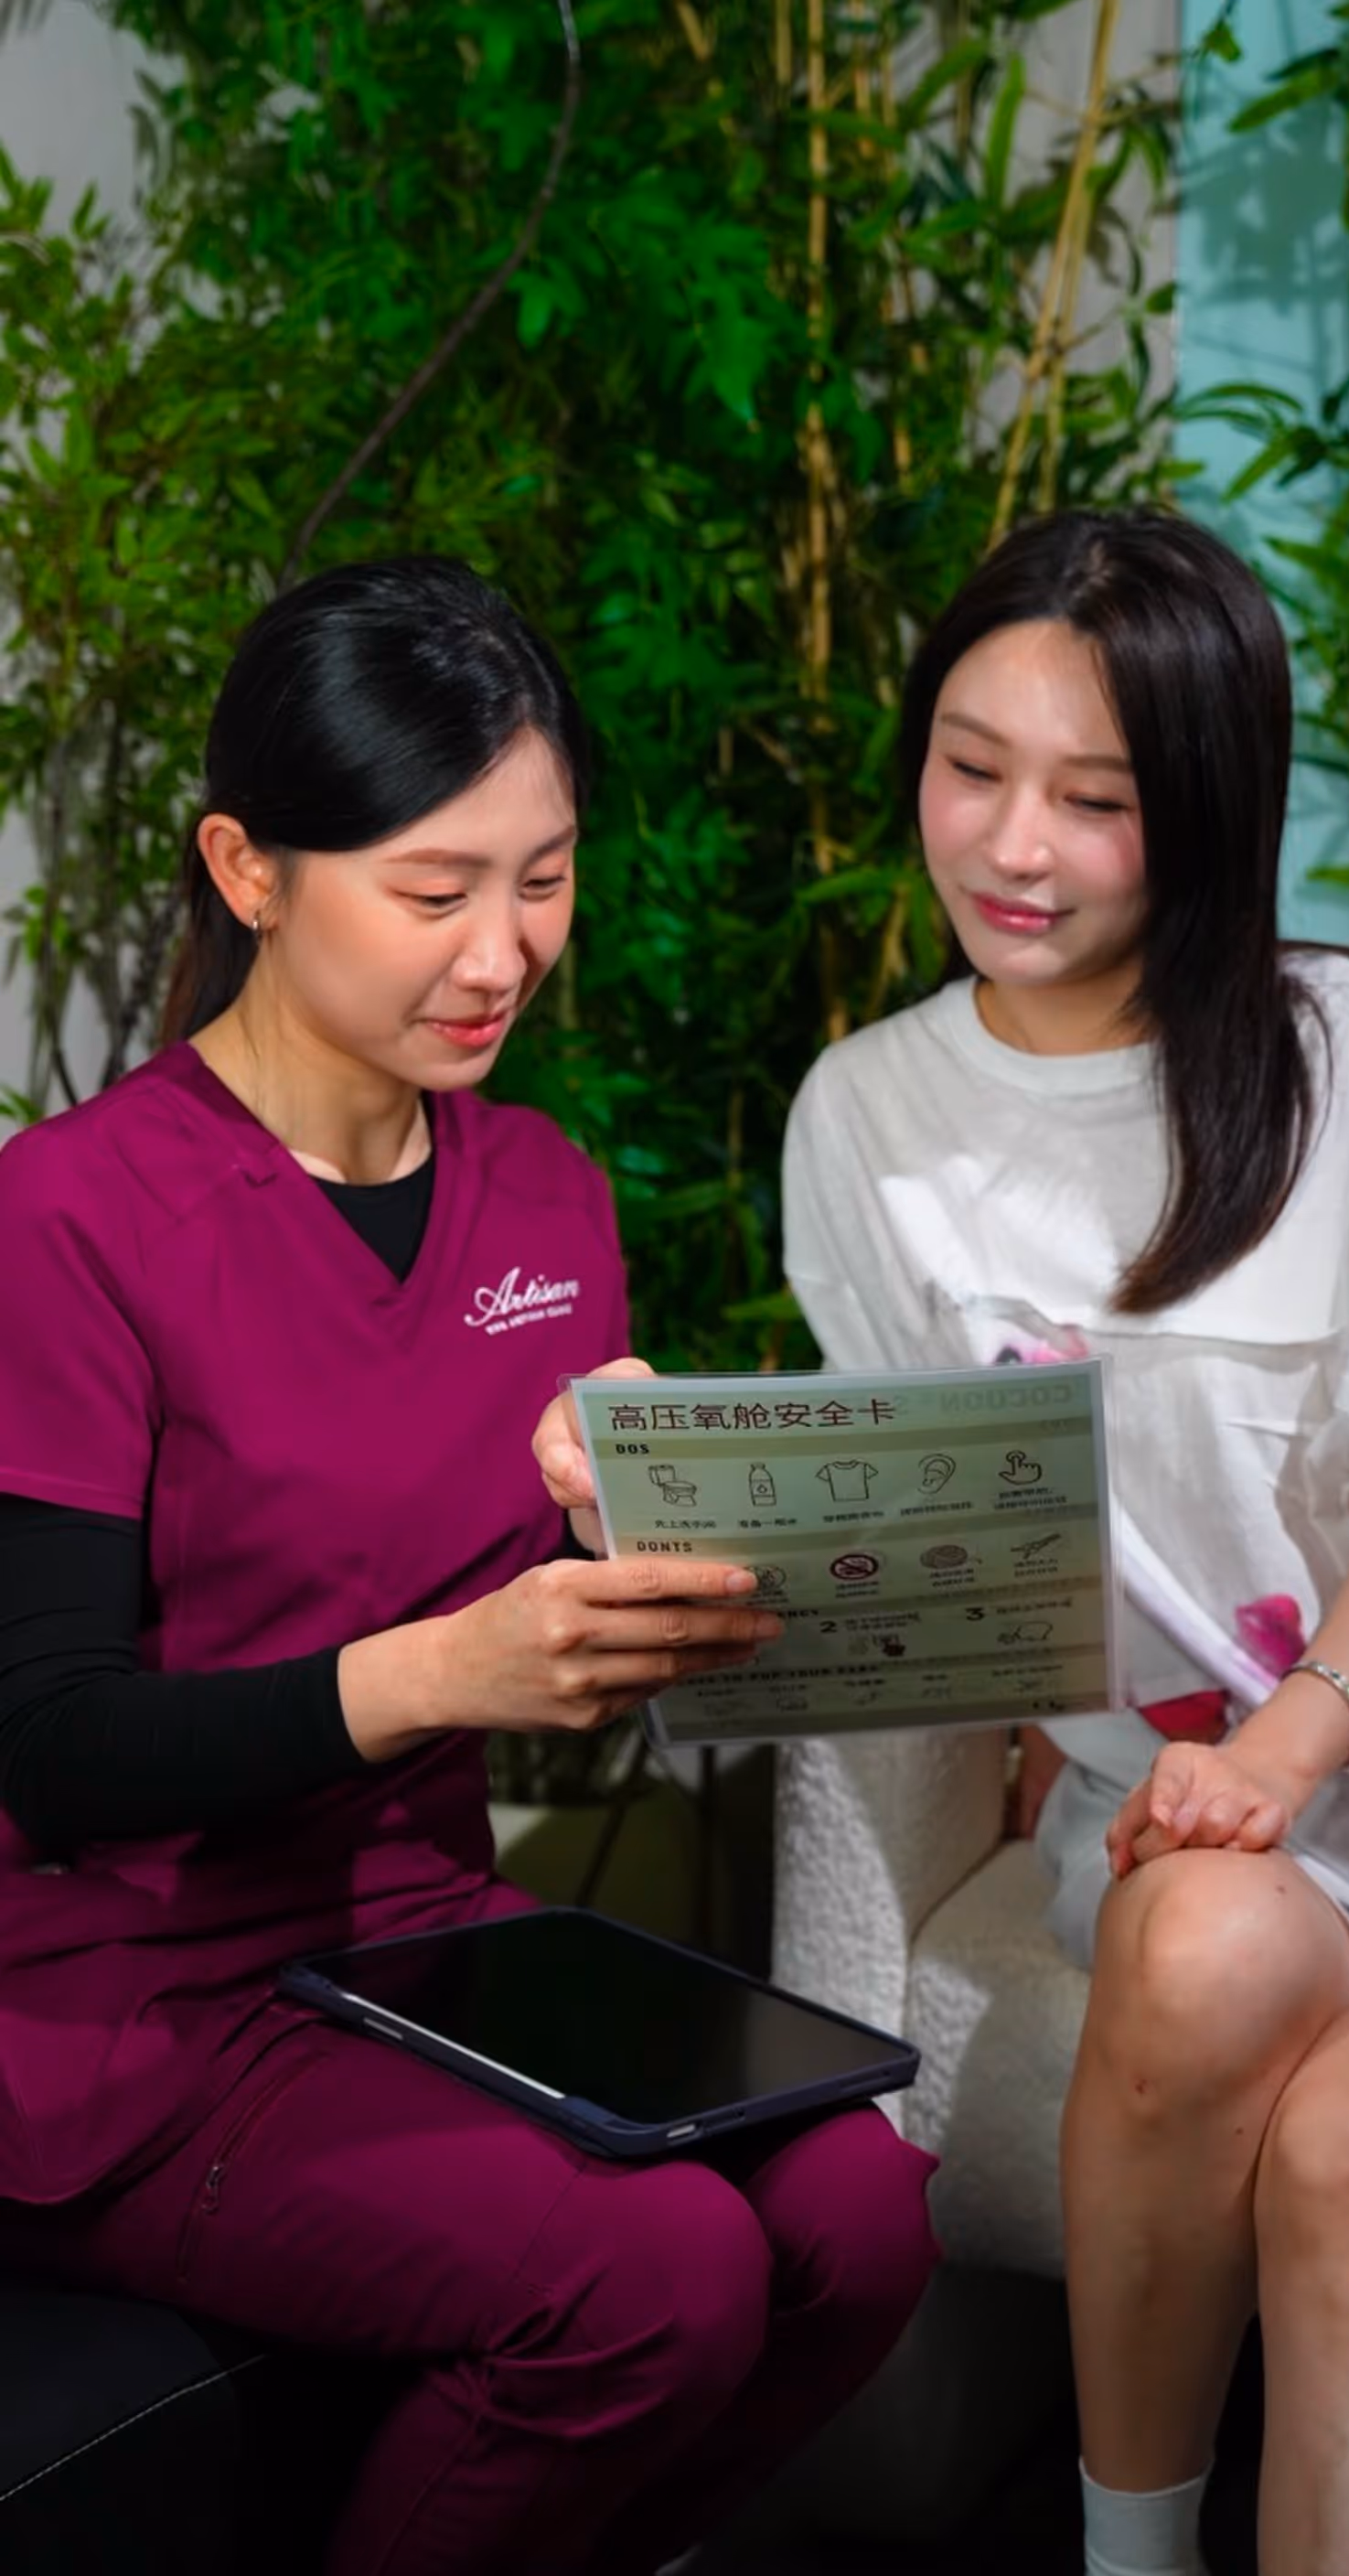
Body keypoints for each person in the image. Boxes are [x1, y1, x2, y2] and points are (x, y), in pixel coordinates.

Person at [0, 556, 937, 2576]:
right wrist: (444, 1671)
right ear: (247, 870)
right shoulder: (68, 1220)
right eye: (432, 891)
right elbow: (54, 1749)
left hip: (423, 1934)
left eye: (544, 874)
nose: (500, 950)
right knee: (652, 2276)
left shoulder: (543, 1191)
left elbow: (574, 1643)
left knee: (862, 2216)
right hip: (124, 2004)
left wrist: (670, 1555)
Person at [776, 510, 1349, 2576]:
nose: (1012, 845)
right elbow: (924, 1544)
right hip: (1174, 1821)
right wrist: (692, 1515)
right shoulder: (866, 1121)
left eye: (1094, 797)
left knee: (1346, 2145)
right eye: (968, 767)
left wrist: (1289, 1743)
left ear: (1207, 811)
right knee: (1178, 1928)